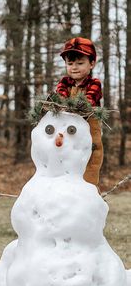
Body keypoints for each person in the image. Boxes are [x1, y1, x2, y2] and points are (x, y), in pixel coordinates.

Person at [56, 37, 103, 187]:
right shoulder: (64, 83)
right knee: (66, 170)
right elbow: (60, 99)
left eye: (80, 63)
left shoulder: (94, 84)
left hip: (90, 136)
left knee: (90, 167)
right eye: (70, 63)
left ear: (92, 64)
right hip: (68, 137)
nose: (74, 67)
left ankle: (90, 199)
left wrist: (69, 106)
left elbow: (87, 102)